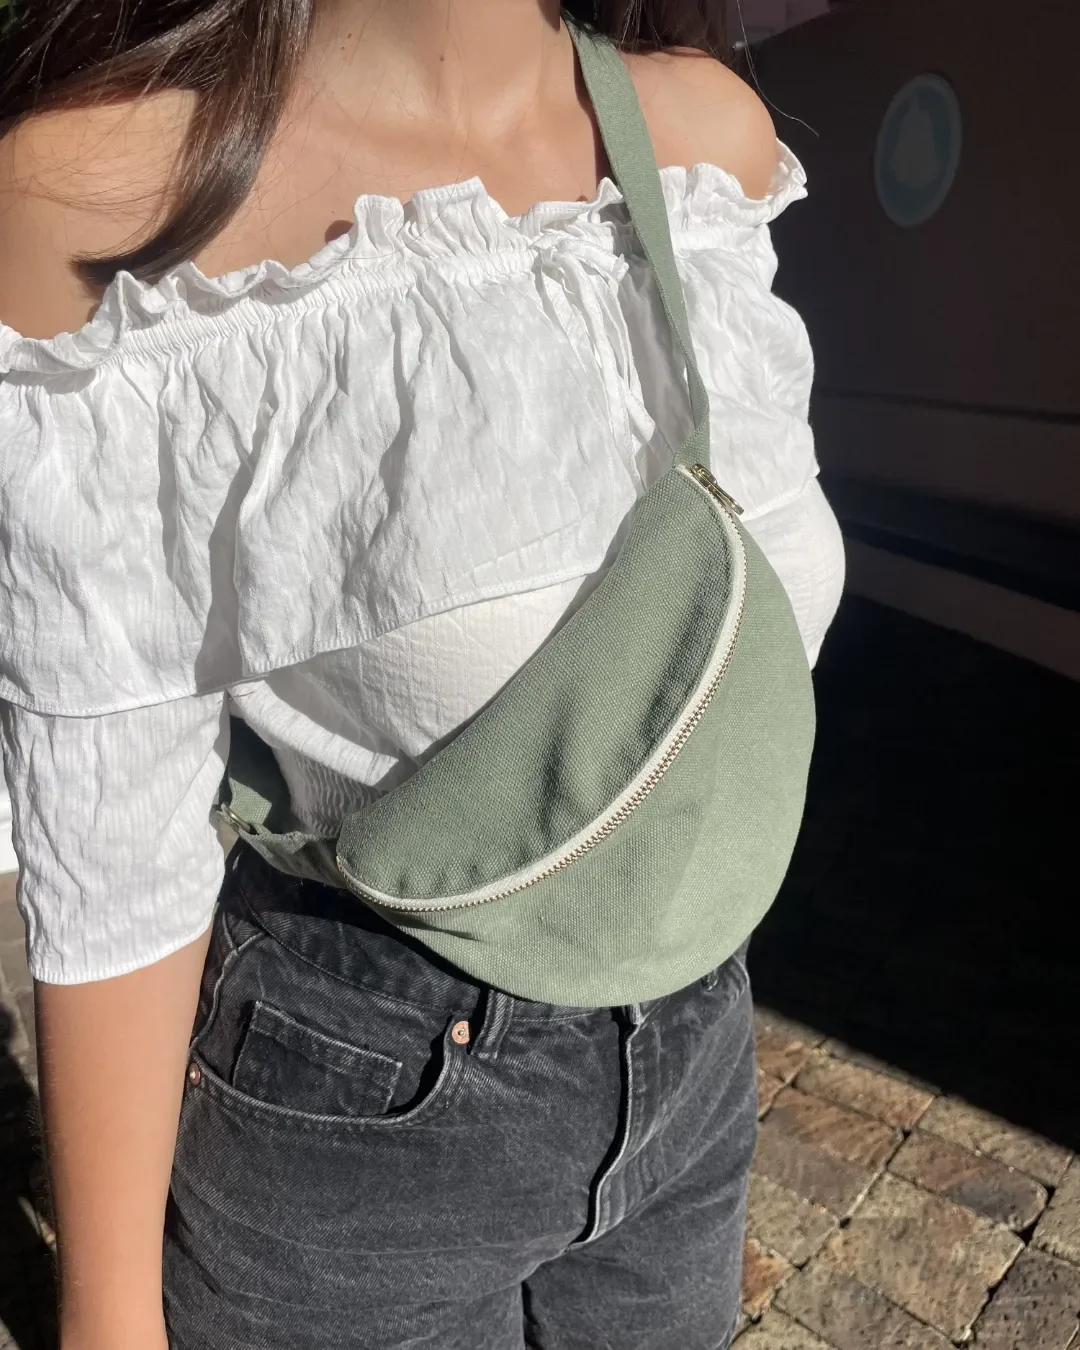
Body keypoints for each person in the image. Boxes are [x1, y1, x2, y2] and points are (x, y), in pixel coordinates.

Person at [0, 2, 845, 1347]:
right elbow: (113, 827)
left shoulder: (707, 144)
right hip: (369, 1100)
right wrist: (108, 1313)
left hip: (695, 1058)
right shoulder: (113, 197)